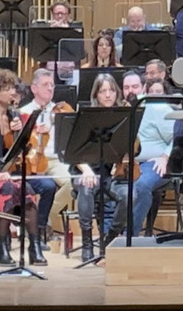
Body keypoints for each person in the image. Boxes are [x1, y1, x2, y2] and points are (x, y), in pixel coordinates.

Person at [0, 68, 55, 266]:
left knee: (27, 190)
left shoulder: (15, 115)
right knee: (7, 190)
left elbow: (20, 151)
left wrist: (19, 135)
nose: (14, 93)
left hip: (7, 173)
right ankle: (1, 246)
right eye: (7, 89)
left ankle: (34, 246)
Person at [18, 68, 75, 255]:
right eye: (45, 85)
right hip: (32, 160)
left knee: (72, 183)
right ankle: (38, 229)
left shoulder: (60, 110)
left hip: (56, 159)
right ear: (34, 88)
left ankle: (44, 221)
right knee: (46, 186)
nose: (50, 89)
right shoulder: (24, 112)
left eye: (52, 85)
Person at [112, 77, 176, 241]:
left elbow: (176, 137)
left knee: (140, 185)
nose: (131, 91)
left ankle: (129, 237)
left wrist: (165, 157)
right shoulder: (123, 108)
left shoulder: (159, 109)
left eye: (135, 86)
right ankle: (110, 234)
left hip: (153, 162)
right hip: (126, 163)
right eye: (126, 87)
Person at [72, 73, 123, 260]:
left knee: (129, 195)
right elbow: (74, 151)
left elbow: (132, 148)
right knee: (87, 187)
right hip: (83, 169)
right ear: (96, 95)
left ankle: (109, 239)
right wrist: (86, 170)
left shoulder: (121, 117)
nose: (108, 95)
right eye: (103, 91)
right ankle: (87, 242)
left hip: (108, 175)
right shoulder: (85, 117)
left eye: (111, 91)